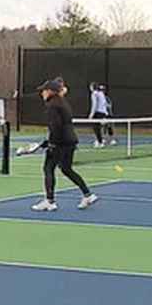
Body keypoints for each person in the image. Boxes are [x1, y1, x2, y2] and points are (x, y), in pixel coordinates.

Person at [31, 77, 98, 211]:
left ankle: (49, 201)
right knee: (66, 169)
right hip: (70, 140)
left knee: (48, 168)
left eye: (44, 91)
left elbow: (55, 126)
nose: (42, 93)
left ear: (50, 92)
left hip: (60, 142)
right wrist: (47, 142)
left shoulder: (52, 106)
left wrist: (51, 144)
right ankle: (88, 195)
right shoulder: (62, 103)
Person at [88, 83, 116, 148]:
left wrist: (91, 114)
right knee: (101, 127)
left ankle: (100, 142)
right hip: (104, 113)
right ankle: (100, 140)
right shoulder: (101, 94)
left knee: (96, 128)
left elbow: (94, 105)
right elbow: (104, 104)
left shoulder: (94, 94)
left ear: (92, 87)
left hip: (99, 113)